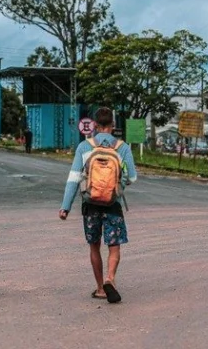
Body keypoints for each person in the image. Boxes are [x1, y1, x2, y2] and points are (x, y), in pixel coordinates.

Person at [58, 107, 137, 303]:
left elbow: (74, 179)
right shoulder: (122, 147)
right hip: (113, 204)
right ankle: (111, 278)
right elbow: (133, 177)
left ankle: (101, 288)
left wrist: (65, 207)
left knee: (94, 246)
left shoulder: (84, 147)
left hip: (90, 205)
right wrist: (117, 182)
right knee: (114, 246)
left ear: (95, 125)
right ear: (112, 125)